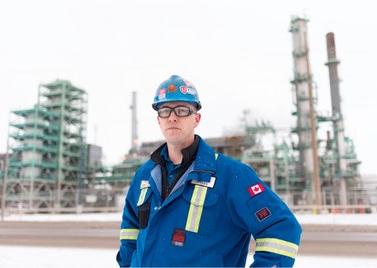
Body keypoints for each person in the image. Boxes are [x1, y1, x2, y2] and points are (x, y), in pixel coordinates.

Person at [116, 75, 302, 267]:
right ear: (158, 120)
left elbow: (282, 228)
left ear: (196, 118)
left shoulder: (230, 175)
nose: (172, 117)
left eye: (181, 110)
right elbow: (130, 234)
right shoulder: (144, 176)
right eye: (165, 111)